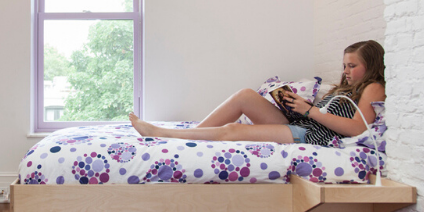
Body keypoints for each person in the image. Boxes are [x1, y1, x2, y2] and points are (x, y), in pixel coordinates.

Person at [129, 40, 386, 145]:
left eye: (352, 66)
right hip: (303, 122)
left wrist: (309, 110)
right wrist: (297, 106)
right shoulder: (347, 88)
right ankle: (188, 137)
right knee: (245, 95)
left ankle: (163, 133)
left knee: (234, 131)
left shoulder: (373, 87)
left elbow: (357, 129)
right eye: (344, 66)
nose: (346, 71)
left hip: (310, 134)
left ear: (371, 66)